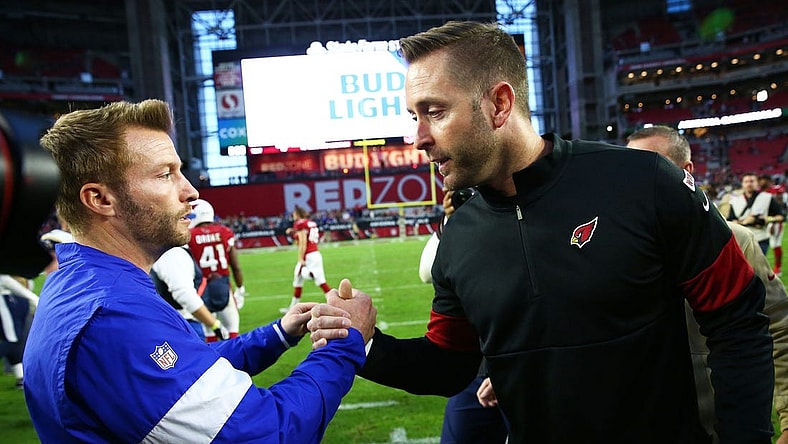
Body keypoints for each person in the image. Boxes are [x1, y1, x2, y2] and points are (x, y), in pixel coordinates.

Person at [309, 21, 774, 442]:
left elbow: (738, 319)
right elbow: (448, 365)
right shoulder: (459, 236)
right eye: (414, 116)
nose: (418, 137)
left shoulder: (643, 182)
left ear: (499, 104)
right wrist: (365, 342)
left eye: (434, 111)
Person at [22, 99, 377, 443]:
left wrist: (278, 334)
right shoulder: (112, 314)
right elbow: (268, 433)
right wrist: (343, 346)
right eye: (165, 175)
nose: (190, 191)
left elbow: (188, 373)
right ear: (101, 200)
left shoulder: (81, 283)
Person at [625, 125, 788, 443]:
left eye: (651, 168)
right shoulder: (611, 250)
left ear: (686, 173)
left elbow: (779, 330)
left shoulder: (734, 242)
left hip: (720, 427)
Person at [419, 188, 508, 444]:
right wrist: (451, 220)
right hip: (476, 367)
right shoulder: (465, 224)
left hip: (524, 367)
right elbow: (426, 272)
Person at [188, 198, 245, 341]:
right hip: (224, 286)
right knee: (233, 334)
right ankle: (235, 362)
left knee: (210, 333)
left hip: (202, 289)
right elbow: (236, 266)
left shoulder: (190, 236)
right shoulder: (224, 232)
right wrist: (240, 288)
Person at [150, 245, 226, 341]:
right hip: (181, 323)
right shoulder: (173, 254)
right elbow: (184, 294)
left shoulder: (165, 252)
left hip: (173, 322)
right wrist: (214, 324)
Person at [281, 205, 331, 313]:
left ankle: (309, 274)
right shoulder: (310, 223)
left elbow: (303, 242)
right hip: (315, 253)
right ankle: (292, 307)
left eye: (294, 214)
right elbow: (304, 235)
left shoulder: (300, 224)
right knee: (317, 281)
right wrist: (293, 232)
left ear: (297, 214)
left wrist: (300, 257)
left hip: (308, 256)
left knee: (301, 275)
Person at [727, 171, 784, 255]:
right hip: (741, 239)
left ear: (757, 183)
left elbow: (781, 216)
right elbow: (730, 220)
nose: (749, 184)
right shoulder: (734, 201)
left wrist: (767, 219)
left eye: (752, 181)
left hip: (761, 238)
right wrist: (742, 222)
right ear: (742, 184)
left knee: (757, 267)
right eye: (746, 182)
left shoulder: (767, 197)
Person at [0, 274, 38, 389]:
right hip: (4, 301)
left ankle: (21, 378)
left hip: (12, 301)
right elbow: (5, 281)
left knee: (16, 341)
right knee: (12, 340)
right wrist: (34, 299)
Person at [761, 175, 787, 275]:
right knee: (768, 243)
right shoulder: (765, 192)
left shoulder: (776, 191)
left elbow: (780, 203)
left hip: (776, 220)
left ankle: (777, 268)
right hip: (768, 219)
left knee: (775, 244)